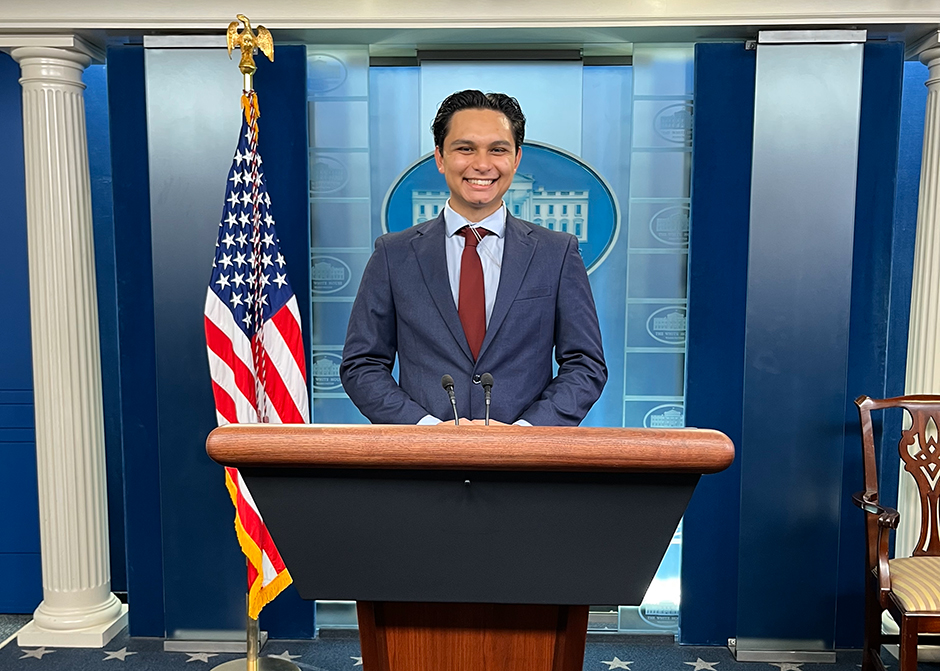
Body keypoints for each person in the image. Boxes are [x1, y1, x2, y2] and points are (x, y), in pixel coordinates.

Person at [340, 90, 606, 425]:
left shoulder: (557, 253)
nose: (482, 164)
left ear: (516, 159)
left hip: (523, 465)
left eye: (498, 150)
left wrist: (527, 433)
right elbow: (362, 364)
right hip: (425, 466)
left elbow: (585, 364)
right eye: (465, 149)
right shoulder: (394, 255)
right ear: (439, 157)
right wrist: (424, 430)